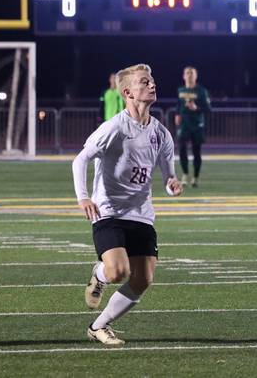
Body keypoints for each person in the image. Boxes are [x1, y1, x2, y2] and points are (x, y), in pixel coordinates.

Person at [72, 63, 183, 346]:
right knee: (118, 271)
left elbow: (168, 176)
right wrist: (83, 197)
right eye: (144, 82)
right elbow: (81, 159)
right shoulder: (114, 128)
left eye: (152, 81)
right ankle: (99, 274)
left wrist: (172, 185)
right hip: (108, 210)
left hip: (141, 214)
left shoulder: (161, 133)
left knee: (143, 279)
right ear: (128, 92)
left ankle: (99, 326)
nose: (152, 85)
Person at [175, 66, 211, 187]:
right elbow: (178, 104)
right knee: (182, 148)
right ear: (183, 76)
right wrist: (177, 114)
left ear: (196, 76)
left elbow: (208, 109)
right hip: (184, 125)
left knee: (196, 151)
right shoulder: (180, 90)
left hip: (197, 125)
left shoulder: (201, 91)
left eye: (192, 73)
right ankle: (185, 174)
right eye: (187, 73)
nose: (189, 75)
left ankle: (195, 177)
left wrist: (197, 108)